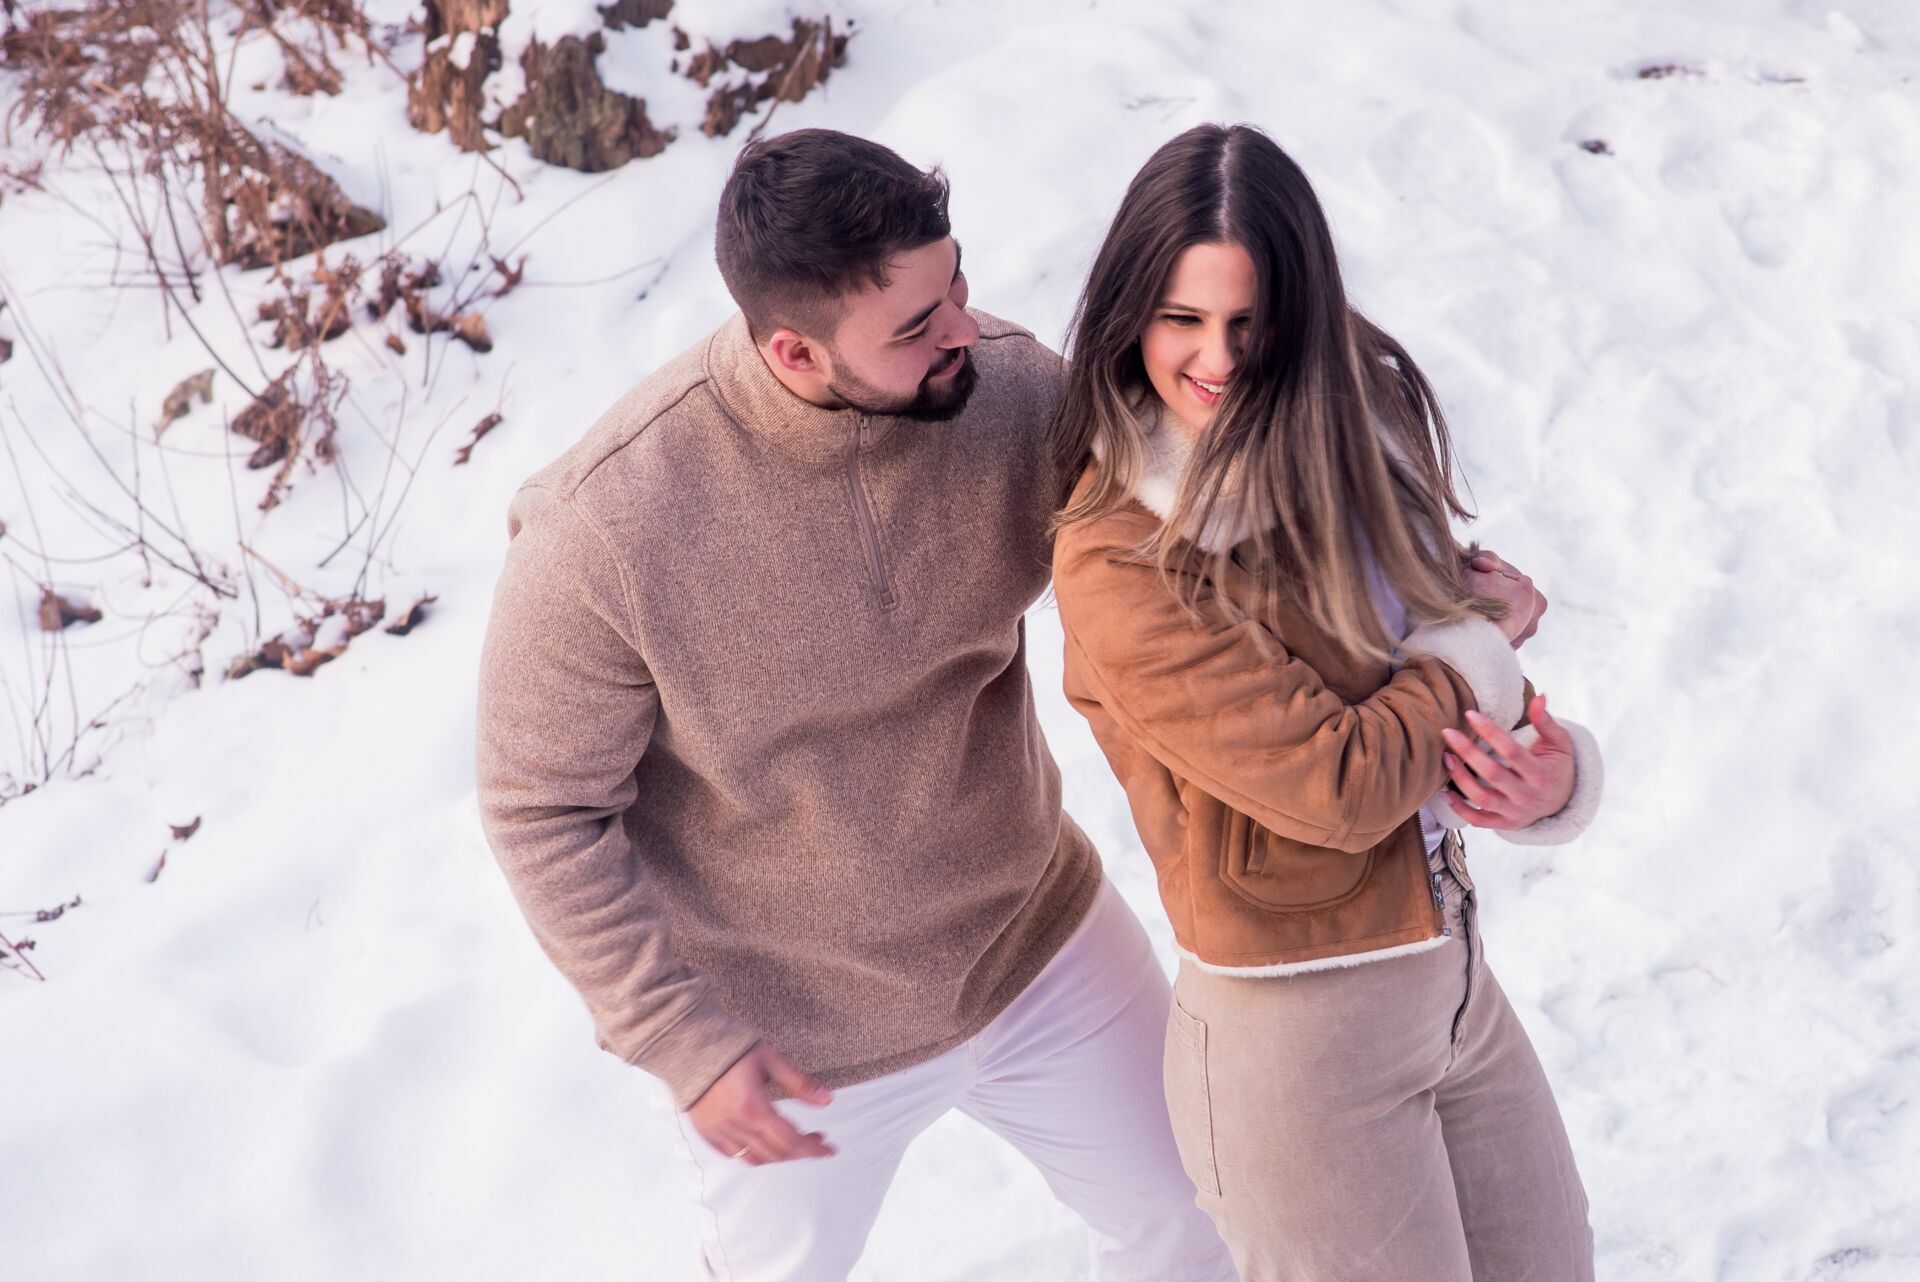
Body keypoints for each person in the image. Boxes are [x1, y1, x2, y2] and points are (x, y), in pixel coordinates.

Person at [474, 128, 1234, 1282]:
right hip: (792, 1040)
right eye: (917, 325)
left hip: (1037, 940)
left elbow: (1205, 521)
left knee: (1206, 1215)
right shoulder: (607, 529)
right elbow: (541, 809)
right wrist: (679, 1037)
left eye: (956, 285)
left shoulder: (1009, 392)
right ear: (794, 349)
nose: (962, 329)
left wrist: (1431, 585)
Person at [1047, 122, 1606, 1282]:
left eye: (1249, 324)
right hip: (1295, 1053)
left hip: (1453, 988)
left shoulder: (1355, 438)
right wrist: (1484, 647)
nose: (1215, 359)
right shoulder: (1120, 555)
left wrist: (1547, 775)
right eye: (1181, 318)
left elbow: (1434, 667)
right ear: (1131, 312)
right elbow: (1336, 781)